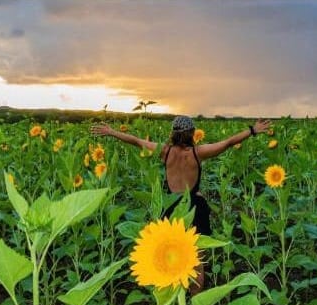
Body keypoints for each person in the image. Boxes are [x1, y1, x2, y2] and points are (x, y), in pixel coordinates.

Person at [90, 116, 271, 294]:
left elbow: (136, 141)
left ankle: (175, 292)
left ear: (172, 133)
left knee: (170, 252)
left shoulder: (164, 151)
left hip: (171, 205)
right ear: (192, 133)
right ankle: (195, 302)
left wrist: (111, 132)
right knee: (197, 255)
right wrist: (252, 130)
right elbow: (228, 142)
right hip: (195, 206)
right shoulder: (198, 153)